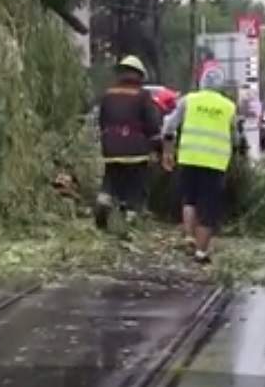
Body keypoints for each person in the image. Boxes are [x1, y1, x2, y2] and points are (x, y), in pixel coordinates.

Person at [162, 70, 238, 264]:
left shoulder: (189, 100)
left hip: (189, 157)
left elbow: (168, 127)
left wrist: (168, 151)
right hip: (215, 163)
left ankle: (189, 237)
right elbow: (236, 137)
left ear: (201, 82)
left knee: (190, 200)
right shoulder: (228, 107)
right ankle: (201, 253)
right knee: (208, 207)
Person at [96, 55, 162, 230]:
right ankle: (131, 217)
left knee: (111, 177)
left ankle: (104, 200)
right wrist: (157, 146)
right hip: (135, 148)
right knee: (136, 183)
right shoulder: (142, 95)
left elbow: (102, 120)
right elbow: (152, 124)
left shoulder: (108, 94)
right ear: (139, 75)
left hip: (110, 146)